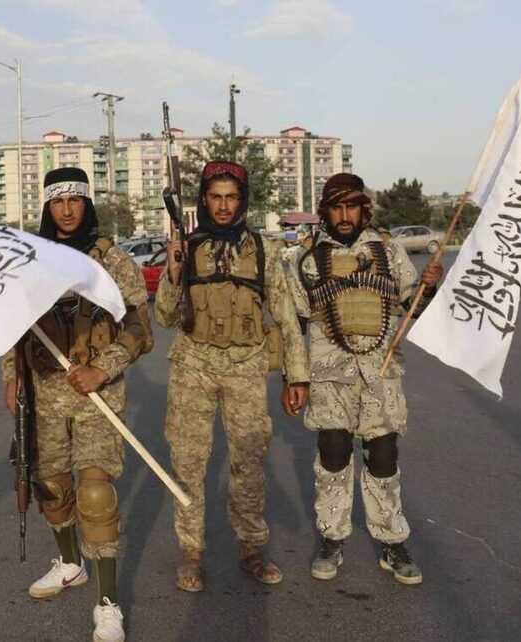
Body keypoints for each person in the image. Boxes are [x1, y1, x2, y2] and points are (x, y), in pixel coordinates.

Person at [1, 167, 152, 642]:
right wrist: (10, 376)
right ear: (47, 206)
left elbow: (140, 326)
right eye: (58, 202)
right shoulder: (32, 259)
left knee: (95, 494)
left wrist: (103, 369)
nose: (66, 210)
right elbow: (12, 323)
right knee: (51, 487)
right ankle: (70, 563)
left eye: (75, 201)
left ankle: (108, 603)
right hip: (44, 393)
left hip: (96, 396)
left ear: (87, 204)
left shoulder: (112, 260)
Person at [155, 160, 310, 592]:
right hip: (193, 365)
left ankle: (251, 547)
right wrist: (173, 272)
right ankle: (191, 551)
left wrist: (297, 376)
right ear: (204, 201)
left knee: (249, 461)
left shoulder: (263, 250)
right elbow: (164, 316)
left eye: (231, 198)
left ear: (242, 202)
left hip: (246, 366)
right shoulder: (188, 247)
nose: (223, 206)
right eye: (215, 197)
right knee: (188, 462)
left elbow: (285, 316)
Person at [285, 173, 443, 586]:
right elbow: (293, 324)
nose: (344, 216)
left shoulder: (387, 252)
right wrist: (294, 378)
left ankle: (392, 541)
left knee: (384, 457)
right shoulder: (305, 259)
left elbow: (412, 304)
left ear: (363, 209)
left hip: (380, 371)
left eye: (351, 207)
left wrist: (429, 287)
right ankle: (332, 537)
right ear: (325, 212)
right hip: (328, 375)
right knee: (333, 454)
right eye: (336, 208)